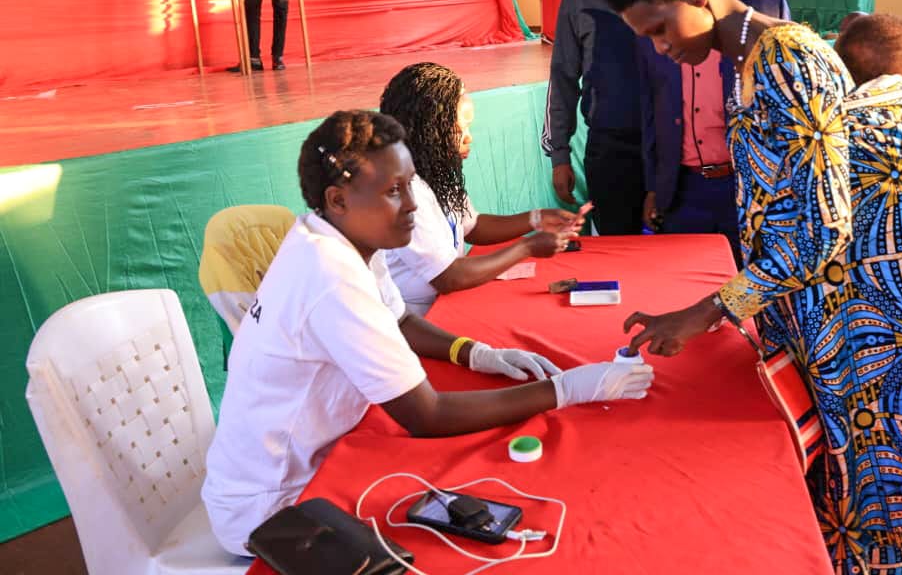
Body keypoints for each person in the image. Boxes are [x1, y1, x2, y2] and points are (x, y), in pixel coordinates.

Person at [604, 0, 902, 575]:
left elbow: (821, 230)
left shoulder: (785, 58)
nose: (661, 46)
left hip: (861, 312)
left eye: (659, 28)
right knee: (840, 490)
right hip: (818, 306)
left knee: (867, 500)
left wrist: (709, 310)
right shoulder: (750, 60)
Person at [202, 110, 654, 555]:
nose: (413, 205)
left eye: (410, 185)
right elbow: (427, 415)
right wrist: (567, 388)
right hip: (277, 508)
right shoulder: (330, 275)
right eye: (393, 192)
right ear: (338, 199)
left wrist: (473, 352)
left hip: (315, 459)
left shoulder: (335, 237)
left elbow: (398, 320)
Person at [380, 63, 581, 315]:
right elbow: (447, 277)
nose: (468, 137)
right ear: (426, 131)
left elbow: (472, 226)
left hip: (447, 304)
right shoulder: (406, 193)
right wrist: (526, 248)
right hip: (418, 318)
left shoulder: (435, 175)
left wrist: (536, 218)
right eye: (458, 128)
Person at [638, 0, 789, 255]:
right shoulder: (659, 20)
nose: (661, 46)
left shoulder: (774, 29)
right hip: (683, 189)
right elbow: (652, 109)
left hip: (744, 188)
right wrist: (655, 186)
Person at [542, 0, 653, 234]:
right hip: (609, 150)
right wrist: (560, 155)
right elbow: (562, 79)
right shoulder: (578, 0)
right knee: (617, 245)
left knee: (669, 250)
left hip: (664, 148)